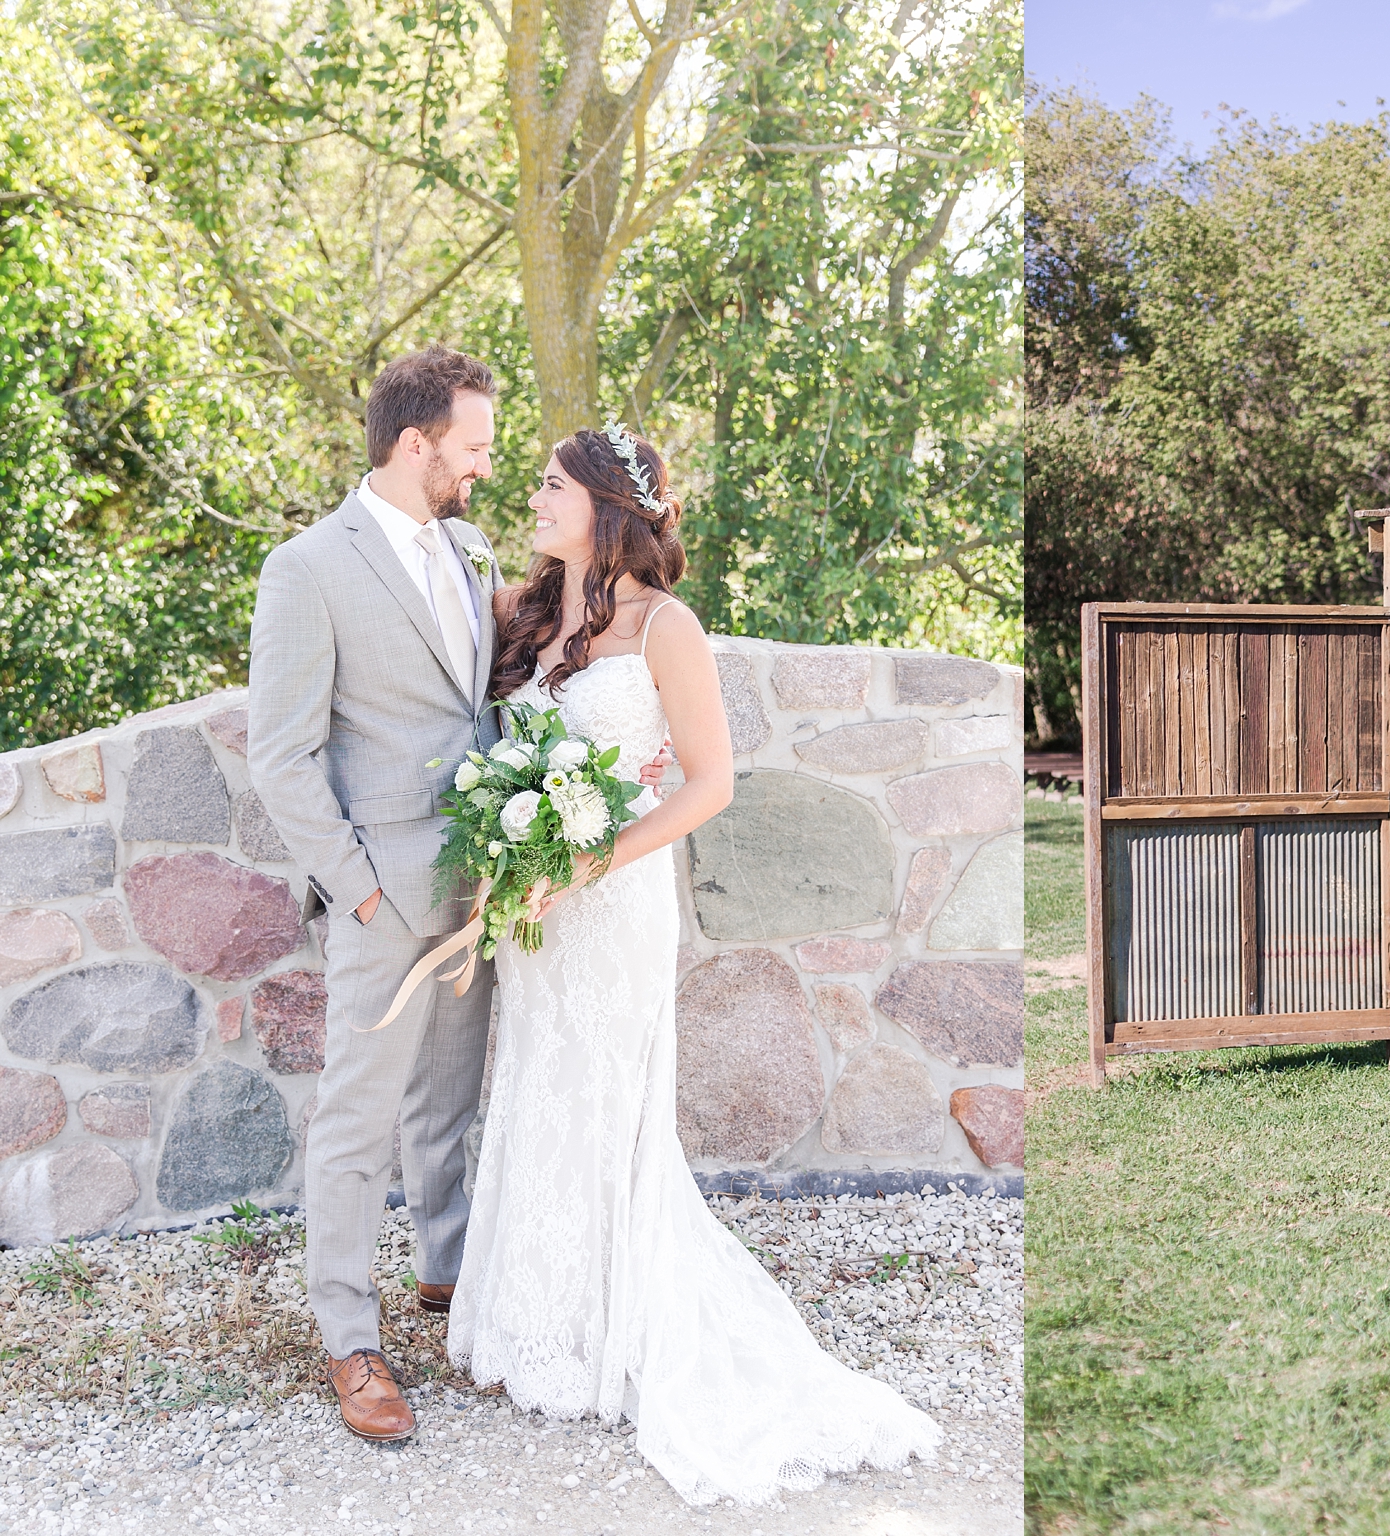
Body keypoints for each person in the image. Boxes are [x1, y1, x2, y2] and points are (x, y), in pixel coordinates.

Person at [447, 426, 939, 1503]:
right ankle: (535, 1324)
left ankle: (610, 1337)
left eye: (550, 485)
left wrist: (580, 865)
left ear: (606, 506)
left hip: (609, 899)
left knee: (607, 1097)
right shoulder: (523, 612)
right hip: (537, 903)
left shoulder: (667, 627)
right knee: (537, 1083)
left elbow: (707, 784)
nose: (531, 497)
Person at [244, 348, 665, 1442]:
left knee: (447, 1101)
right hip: (382, 893)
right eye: (473, 447)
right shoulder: (307, 569)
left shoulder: (474, 549)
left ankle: (445, 1274)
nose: (486, 468)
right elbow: (282, 758)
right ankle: (350, 1338)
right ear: (415, 443)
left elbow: (521, 686)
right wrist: (360, 894)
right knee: (357, 1117)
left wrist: (614, 769)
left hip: (485, 888)